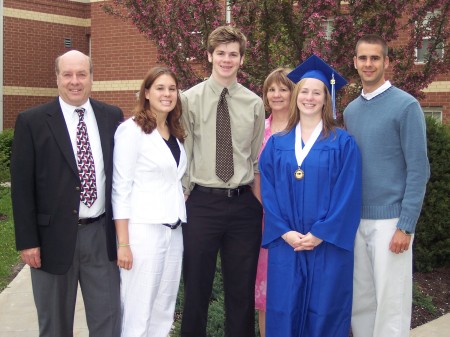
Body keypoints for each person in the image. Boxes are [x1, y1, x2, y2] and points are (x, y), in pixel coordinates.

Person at [10, 50, 123, 337]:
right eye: (68, 74)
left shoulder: (112, 116)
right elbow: (21, 188)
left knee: (108, 321)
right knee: (54, 326)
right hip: (51, 241)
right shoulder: (32, 121)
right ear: (57, 78)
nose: (75, 81)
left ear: (92, 78)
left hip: (101, 236)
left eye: (82, 74)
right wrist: (28, 242)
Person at [259, 54, 362, 337]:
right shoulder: (277, 144)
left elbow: (349, 194)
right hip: (288, 244)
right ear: (296, 96)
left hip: (327, 244)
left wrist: (321, 233)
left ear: (326, 99)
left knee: (325, 309)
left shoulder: (343, 143)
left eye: (317, 92)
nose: (309, 97)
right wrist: (285, 232)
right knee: (285, 307)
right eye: (304, 91)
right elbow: (268, 193)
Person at [180, 25, 265, 337]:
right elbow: (184, 152)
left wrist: (256, 201)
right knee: (196, 289)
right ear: (209, 56)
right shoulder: (189, 100)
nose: (226, 59)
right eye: (220, 53)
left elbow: (254, 157)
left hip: (243, 206)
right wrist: (185, 194)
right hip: (202, 203)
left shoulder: (254, 103)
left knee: (241, 292)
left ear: (241, 59)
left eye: (233, 54)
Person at [344, 34, 430, 337]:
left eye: (375, 58)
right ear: (354, 62)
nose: (368, 64)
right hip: (356, 220)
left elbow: (419, 170)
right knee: (362, 303)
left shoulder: (406, 106)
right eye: (363, 58)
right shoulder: (351, 111)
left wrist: (405, 226)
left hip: (391, 222)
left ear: (386, 62)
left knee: (391, 306)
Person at [112, 67, 186, 337]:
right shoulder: (130, 131)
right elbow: (121, 189)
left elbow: (173, 180)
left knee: (163, 309)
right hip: (143, 233)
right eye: (160, 88)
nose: (167, 94)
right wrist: (123, 244)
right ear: (146, 92)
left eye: (171, 89)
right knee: (138, 310)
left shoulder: (174, 131)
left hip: (173, 230)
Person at [253, 67, 294, 337]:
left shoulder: (304, 129)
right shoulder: (259, 129)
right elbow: (254, 174)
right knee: (265, 294)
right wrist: (264, 210)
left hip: (298, 219)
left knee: (294, 290)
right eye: (271, 89)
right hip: (265, 220)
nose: (276, 94)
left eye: (283, 88)